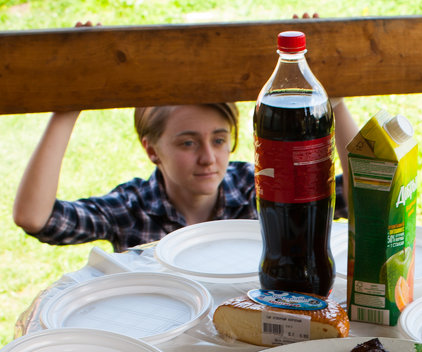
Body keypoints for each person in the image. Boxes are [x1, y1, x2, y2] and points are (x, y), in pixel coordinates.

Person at [13, 39, 358, 252]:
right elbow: (36, 218)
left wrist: (336, 104)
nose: (208, 158)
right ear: (152, 150)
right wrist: (67, 109)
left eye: (219, 140)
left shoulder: (256, 186)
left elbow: (357, 200)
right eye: (187, 143)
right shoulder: (133, 208)